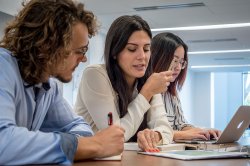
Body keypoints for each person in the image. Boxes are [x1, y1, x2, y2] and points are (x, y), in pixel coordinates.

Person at [0, 0, 125, 165]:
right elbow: (4, 143)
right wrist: (92, 145)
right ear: (47, 46)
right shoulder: (3, 66)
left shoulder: (48, 86)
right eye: (80, 51)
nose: (84, 58)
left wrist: (82, 144)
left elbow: (79, 126)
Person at [74, 15, 173, 151]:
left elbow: (166, 129)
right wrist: (146, 93)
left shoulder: (148, 80)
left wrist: (155, 135)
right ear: (115, 52)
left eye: (146, 49)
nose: (142, 56)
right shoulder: (94, 74)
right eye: (132, 49)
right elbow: (115, 136)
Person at [151, 32, 221, 141]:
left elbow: (181, 124)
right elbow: (149, 132)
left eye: (181, 62)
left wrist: (203, 131)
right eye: (175, 60)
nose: (178, 67)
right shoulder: (145, 89)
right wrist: (181, 135)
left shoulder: (171, 92)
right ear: (159, 58)